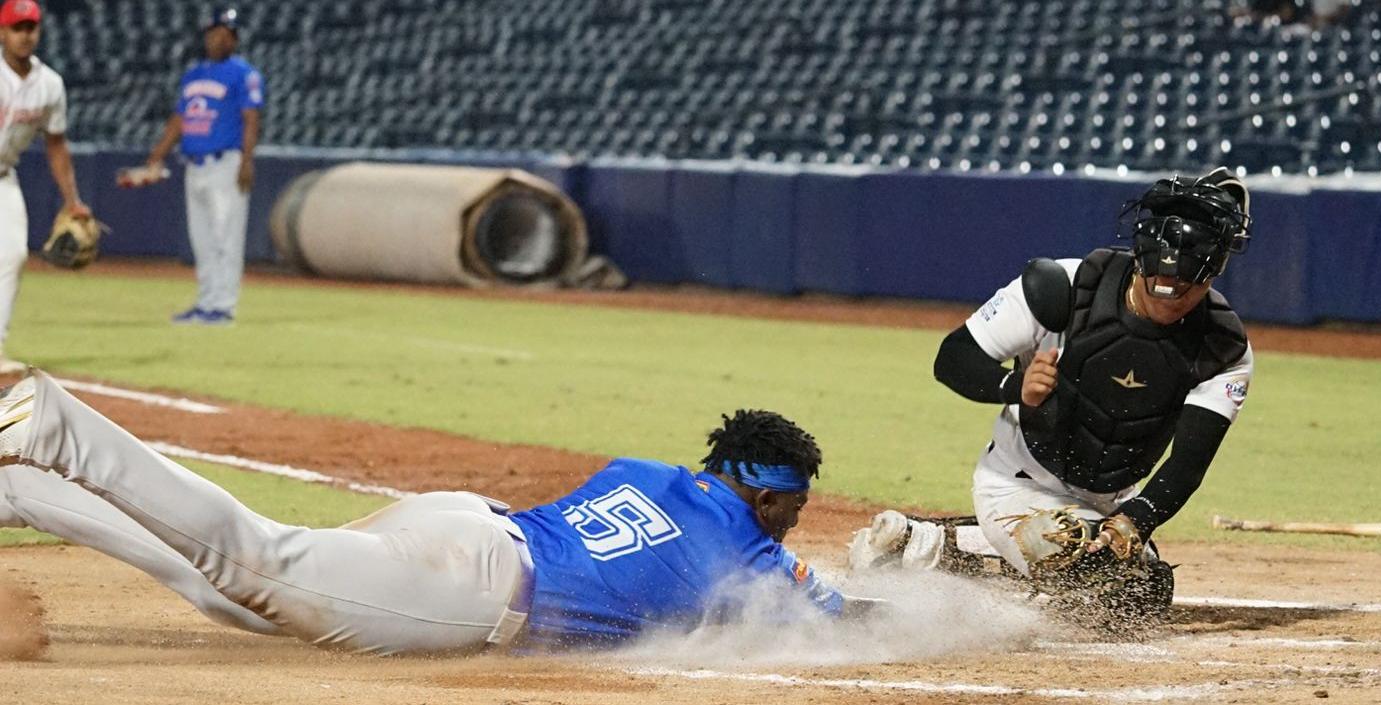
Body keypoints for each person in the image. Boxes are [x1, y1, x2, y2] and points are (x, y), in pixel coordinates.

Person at [0, 371, 868, 655]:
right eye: (788, 507)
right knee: (258, 562)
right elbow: (847, 620)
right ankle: (59, 428)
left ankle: (21, 491)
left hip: (462, 526)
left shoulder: (646, 468)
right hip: (474, 585)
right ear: (760, 491)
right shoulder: (744, 549)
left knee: (230, 595)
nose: (788, 524)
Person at [850, 168, 1256, 618]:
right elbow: (953, 357)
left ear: (1213, 273)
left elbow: (1188, 463)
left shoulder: (1224, 349)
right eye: (1156, 281)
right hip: (1016, 482)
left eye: (1186, 289)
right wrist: (1012, 386)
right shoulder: (1063, 288)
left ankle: (925, 541)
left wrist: (1137, 518)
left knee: (1143, 598)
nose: (1169, 297)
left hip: (1109, 500)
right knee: (1085, 581)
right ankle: (931, 552)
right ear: (1140, 255)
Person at [139, 7, 262, 326]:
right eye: (212, 33)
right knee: (202, 240)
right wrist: (158, 153)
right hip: (194, 165)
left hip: (226, 163)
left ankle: (224, 307)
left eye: (223, 33)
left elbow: (251, 119)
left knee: (226, 237)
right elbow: (180, 118)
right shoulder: (194, 74)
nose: (215, 38)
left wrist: (247, 161)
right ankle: (206, 302)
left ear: (233, 38)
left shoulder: (244, 74)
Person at [0, 0, 93, 371]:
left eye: (30, 28)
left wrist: (73, 201)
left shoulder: (50, 84)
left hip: (4, 178)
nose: (25, 36)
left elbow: (56, 144)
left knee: (12, 255)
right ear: (2, 32)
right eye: (17, 28)